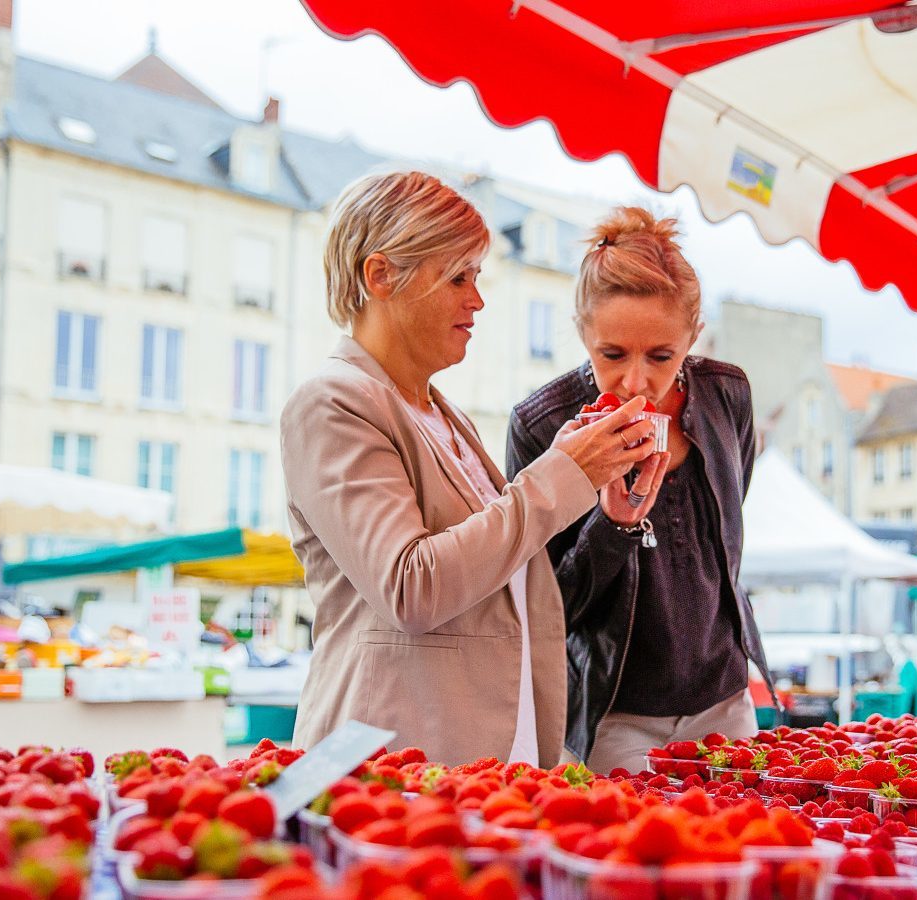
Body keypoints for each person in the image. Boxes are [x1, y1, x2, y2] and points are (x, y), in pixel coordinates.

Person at [281, 172, 657, 766]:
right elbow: (413, 586)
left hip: (482, 763)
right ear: (381, 276)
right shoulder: (333, 403)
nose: (476, 300)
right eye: (459, 276)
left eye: (476, 277)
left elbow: (493, 567)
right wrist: (560, 475)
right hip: (397, 770)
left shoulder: (444, 415)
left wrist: (576, 474)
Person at [506, 207, 775, 773]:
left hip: (725, 698)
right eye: (612, 355)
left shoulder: (728, 396)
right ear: (583, 334)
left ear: (693, 337)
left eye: (661, 356)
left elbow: (728, 533)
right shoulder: (541, 424)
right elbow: (548, 607)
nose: (635, 382)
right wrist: (614, 526)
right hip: (614, 713)